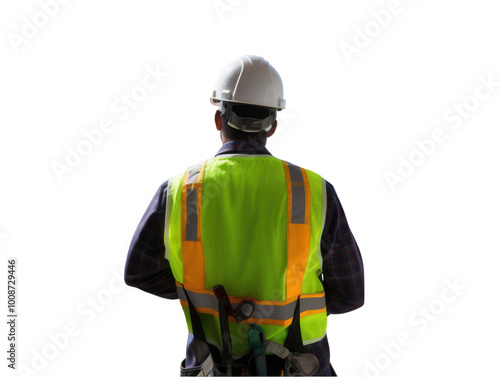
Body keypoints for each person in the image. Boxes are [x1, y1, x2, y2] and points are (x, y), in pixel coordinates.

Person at [124, 55, 364, 376]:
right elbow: (350, 294)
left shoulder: (180, 191)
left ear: (218, 120)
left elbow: (139, 272)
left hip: (210, 367)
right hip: (298, 366)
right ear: (273, 125)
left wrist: (200, 297)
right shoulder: (313, 190)